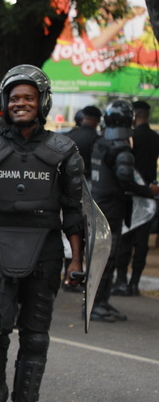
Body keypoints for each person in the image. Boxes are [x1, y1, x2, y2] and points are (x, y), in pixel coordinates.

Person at [0, 65, 85, 402]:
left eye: (28, 98)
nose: (21, 104)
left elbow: (74, 211)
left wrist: (77, 260)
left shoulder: (64, 152)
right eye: (15, 98)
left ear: (41, 103)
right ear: (5, 103)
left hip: (45, 251)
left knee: (35, 336)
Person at [89, 100, 159, 321]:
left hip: (100, 206)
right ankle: (96, 304)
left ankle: (101, 301)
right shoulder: (120, 149)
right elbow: (126, 181)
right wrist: (149, 191)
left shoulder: (100, 143)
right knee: (107, 258)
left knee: (104, 257)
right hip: (112, 210)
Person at [112, 100, 158, 297]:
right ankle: (134, 284)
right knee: (142, 243)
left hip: (130, 194)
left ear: (135, 116)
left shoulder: (130, 138)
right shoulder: (156, 137)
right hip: (149, 195)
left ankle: (121, 281)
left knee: (125, 240)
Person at [66, 105, 102, 179]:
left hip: (67, 176)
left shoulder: (71, 133)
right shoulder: (95, 137)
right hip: (86, 178)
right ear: (96, 120)